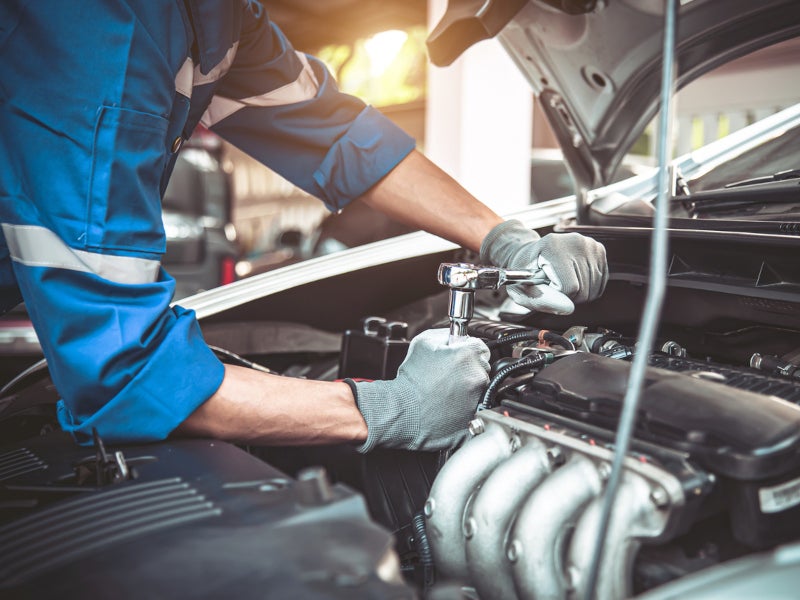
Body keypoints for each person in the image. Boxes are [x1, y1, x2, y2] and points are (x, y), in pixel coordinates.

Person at [0, 1, 607, 451]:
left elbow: (338, 136)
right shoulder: (96, 36)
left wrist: (504, 237)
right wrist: (386, 410)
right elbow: (124, 376)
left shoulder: (219, 18)